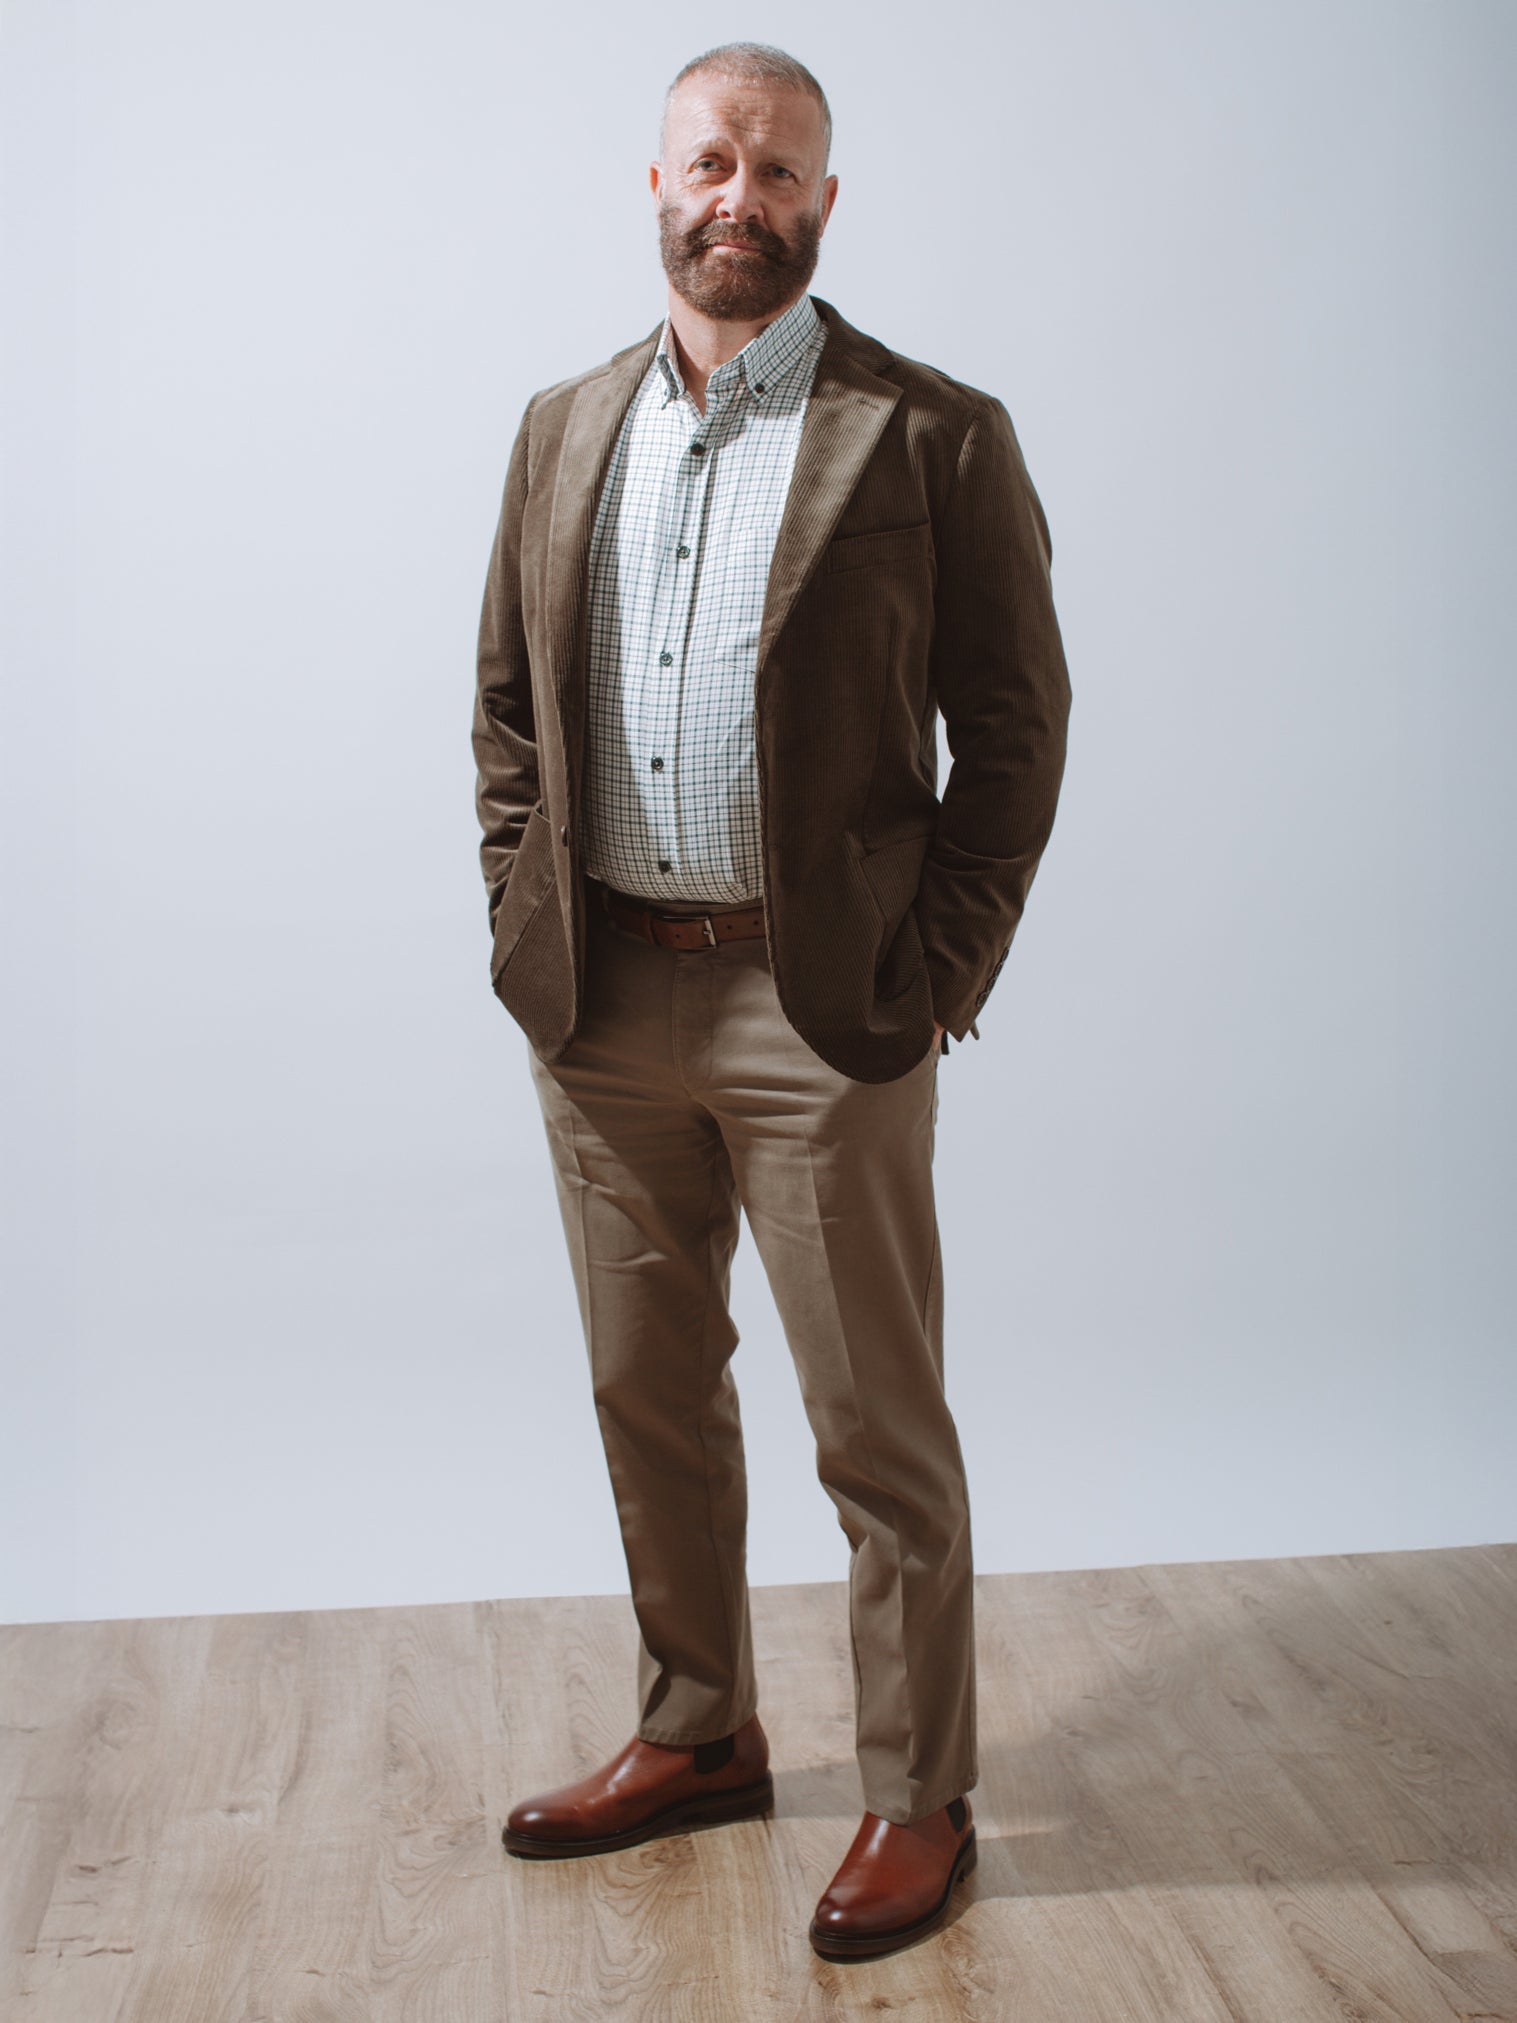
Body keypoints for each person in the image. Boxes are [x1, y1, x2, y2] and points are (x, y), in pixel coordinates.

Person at [471, 40, 1071, 1962]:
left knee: (873, 1429)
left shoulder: (931, 435)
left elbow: (1017, 730)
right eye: (713, 163)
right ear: (655, 184)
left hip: (821, 1017)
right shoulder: (563, 426)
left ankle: (918, 1795)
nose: (743, 198)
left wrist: (936, 972)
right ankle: (697, 1732)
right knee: (648, 1394)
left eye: (782, 171)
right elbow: (506, 713)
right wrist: (519, 914)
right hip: (602, 1004)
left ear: (824, 201)